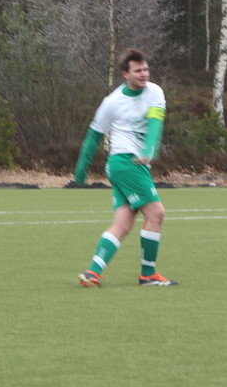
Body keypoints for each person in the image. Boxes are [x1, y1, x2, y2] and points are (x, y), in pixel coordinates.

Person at [72, 48, 178, 288]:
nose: (144, 74)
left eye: (146, 69)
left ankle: (92, 272)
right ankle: (148, 275)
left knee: (123, 224)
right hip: (126, 163)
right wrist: (80, 171)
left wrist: (149, 148)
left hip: (128, 165)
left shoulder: (155, 92)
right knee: (156, 213)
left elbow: (155, 123)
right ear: (125, 74)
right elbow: (93, 136)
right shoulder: (112, 102)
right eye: (138, 70)